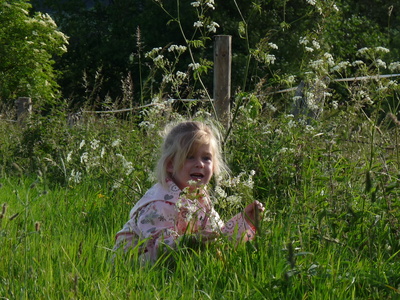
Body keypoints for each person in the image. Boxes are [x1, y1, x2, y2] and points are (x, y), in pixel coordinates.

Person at [113, 121, 264, 263]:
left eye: (206, 158)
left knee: (204, 257)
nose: (199, 164)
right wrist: (190, 242)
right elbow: (159, 246)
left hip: (171, 263)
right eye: (190, 157)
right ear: (171, 164)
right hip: (132, 262)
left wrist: (245, 222)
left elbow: (217, 239)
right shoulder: (159, 202)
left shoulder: (201, 200)